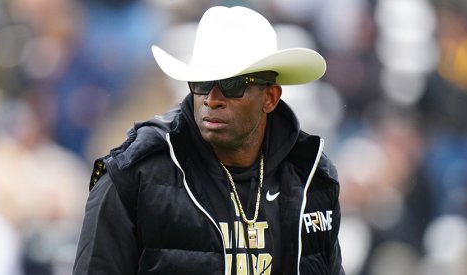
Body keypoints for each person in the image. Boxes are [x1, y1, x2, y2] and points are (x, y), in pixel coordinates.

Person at [73, 6, 345, 275]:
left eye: (232, 84)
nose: (212, 99)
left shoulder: (311, 177)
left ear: (270, 98)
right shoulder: (133, 176)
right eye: (201, 83)